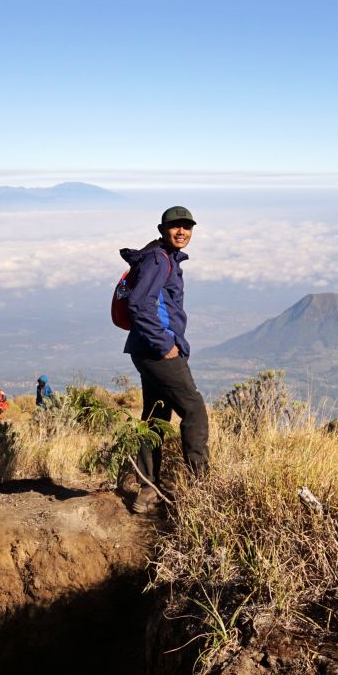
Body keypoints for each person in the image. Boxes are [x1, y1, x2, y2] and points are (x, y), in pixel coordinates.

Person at [120, 206, 208, 510]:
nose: (182, 232)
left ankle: (147, 491)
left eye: (187, 227)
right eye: (175, 227)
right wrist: (166, 346)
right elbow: (138, 305)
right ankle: (202, 486)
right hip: (157, 351)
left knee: (156, 416)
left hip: (144, 350)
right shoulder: (159, 260)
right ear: (162, 229)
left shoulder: (162, 256)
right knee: (194, 409)